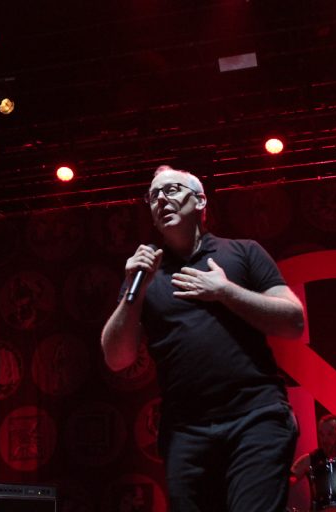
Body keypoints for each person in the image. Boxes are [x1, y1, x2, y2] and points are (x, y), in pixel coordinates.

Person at [101, 165, 305, 512]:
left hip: (255, 416)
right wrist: (134, 291)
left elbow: (294, 322)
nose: (160, 199)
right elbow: (117, 358)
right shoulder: (145, 273)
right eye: (153, 196)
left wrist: (225, 291)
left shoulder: (243, 253)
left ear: (199, 200)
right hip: (186, 430)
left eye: (171, 190)